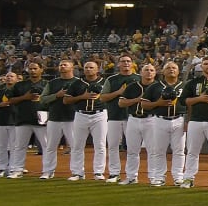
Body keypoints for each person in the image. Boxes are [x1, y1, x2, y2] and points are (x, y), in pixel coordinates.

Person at [181, 56, 208, 189]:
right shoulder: (193, 82)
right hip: (196, 120)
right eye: (205, 64)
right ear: (201, 66)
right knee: (192, 151)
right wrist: (199, 99)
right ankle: (188, 178)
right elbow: (183, 101)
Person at [143, 61, 186, 187]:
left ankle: (178, 177)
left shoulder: (184, 86)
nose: (171, 70)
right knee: (158, 150)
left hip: (179, 119)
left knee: (179, 150)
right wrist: (158, 103)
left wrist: (188, 120)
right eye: (168, 68)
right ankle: (159, 177)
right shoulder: (155, 87)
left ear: (178, 71)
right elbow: (144, 104)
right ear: (163, 71)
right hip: (159, 120)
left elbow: (190, 104)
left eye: (174, 68)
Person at [64, 60, 108, 181]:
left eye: (91, 67)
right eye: (86, 67)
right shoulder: (77, 83)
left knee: (100, 144)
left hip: (99, 114)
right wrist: (82, 97)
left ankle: (98, 172)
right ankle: (77, 172)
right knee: (77, 145)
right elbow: (66, 100)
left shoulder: (104, 82)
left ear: (97, 69)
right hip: (81, 114)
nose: (88, 69)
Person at [99, 54, 140, 183]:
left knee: (133, 148)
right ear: (118, 64)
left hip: (133, 117)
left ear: (132, 63)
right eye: (123, 61)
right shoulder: (112, 79)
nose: (126, 63)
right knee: (113, 146)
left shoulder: (139, 78)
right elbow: (102, 97)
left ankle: (132, 175)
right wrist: (118, 93)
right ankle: (114, 173)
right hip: (114, 116)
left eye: (128, 61)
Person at [7, 59, 48, 179]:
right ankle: (17, 169)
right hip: (23, 118)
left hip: (42, 117)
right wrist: (25, 97)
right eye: (30, 69)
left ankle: (47, 170)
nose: (33, 71)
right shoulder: (20, 85)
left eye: (35, 68)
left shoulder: (47, 84)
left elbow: (54, 100)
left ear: (41, 69)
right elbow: (10, 100)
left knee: (47, 146)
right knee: (20, 146)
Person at [117, 63, 156, 185]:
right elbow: (121, 103)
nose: (149, 72)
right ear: (141, 72)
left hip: (152, 119)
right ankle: (131, 177)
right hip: (133, 119)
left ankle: (153, 177)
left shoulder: (158, 87)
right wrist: (137, 99)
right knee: (132, 150)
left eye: (151, 70)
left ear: (155, 73)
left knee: (153, 151)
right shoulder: (132, 86)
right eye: (146, 70)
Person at [39, 59, 78, 180]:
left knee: (75, 147)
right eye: (61, 65)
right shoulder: (52, 83)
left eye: (65, 64)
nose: (62, 66)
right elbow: (42, 99)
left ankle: (77, 172)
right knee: (50, 147)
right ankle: (48, 171)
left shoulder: (78, 82)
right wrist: (57, 95)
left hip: (72, 118)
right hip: (54, 118)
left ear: (72, 67)